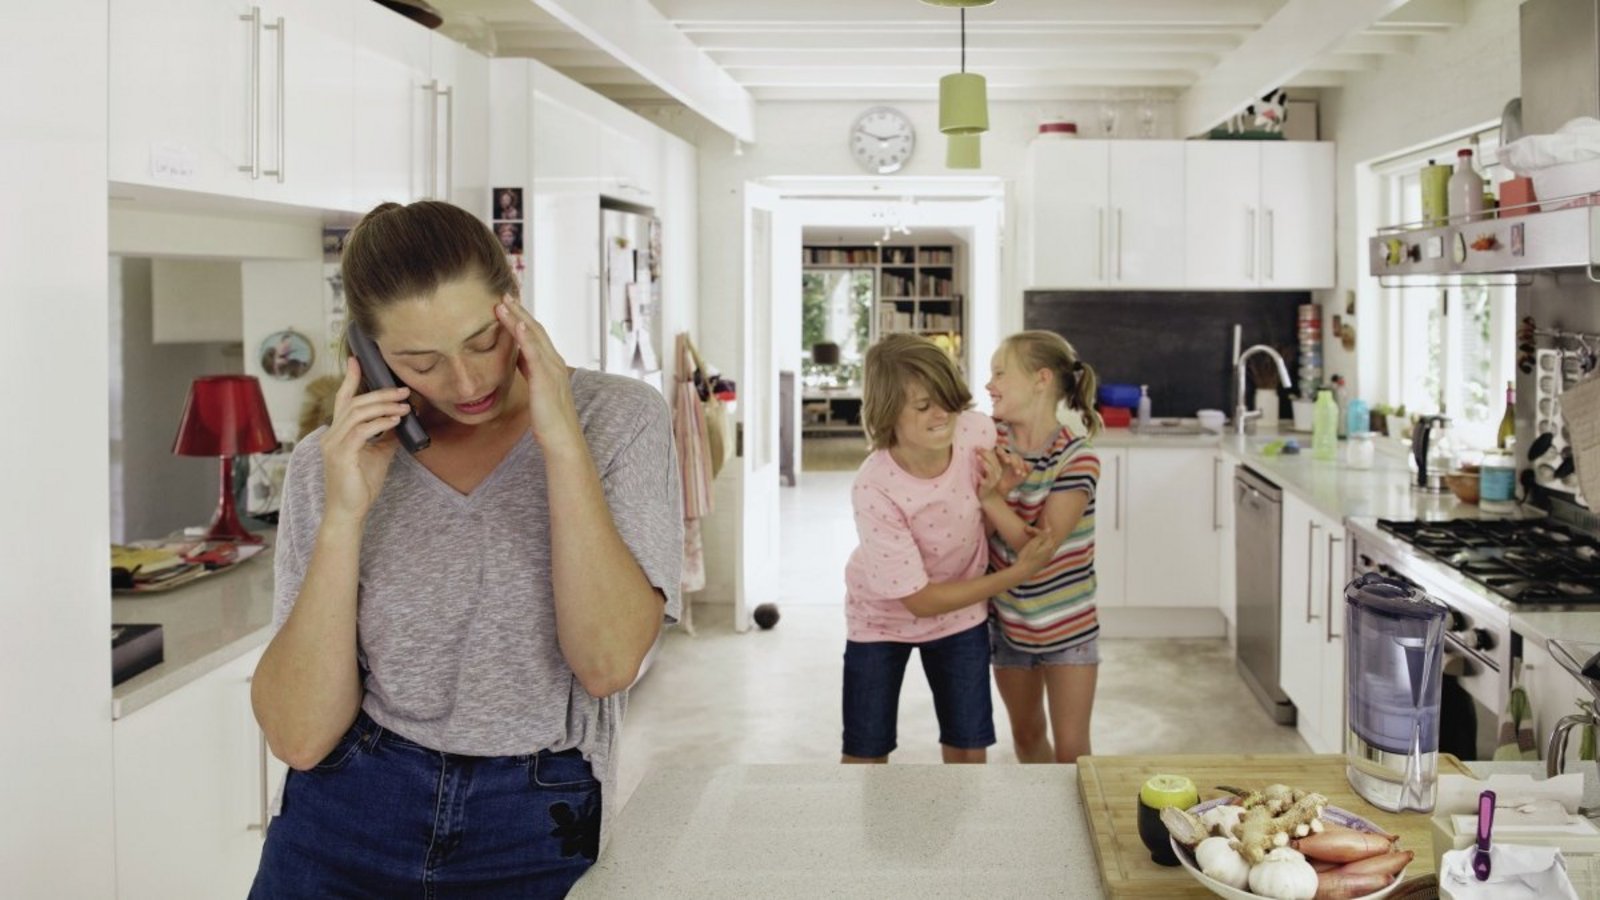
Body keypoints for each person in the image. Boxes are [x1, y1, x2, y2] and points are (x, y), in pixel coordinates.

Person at [248, 200, 682, 898]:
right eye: (420, 361)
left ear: (515, 308)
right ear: (368, 354)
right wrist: (344, 516)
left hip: (534, 816)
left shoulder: (618, 422)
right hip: (348, 809)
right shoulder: (328, 464)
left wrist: (561, 441)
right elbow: (299, 737)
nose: (469, 383)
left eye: (483, 341)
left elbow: (607, 665)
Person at [841, 333, 1055, 765]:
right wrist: (1015, 574)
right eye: (923, 406)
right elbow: (918, 601)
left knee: (967, 746)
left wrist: (1001, 485)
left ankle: (960, 834)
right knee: (865, 752)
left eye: (947, 400)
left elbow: (986, 486)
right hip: (881, 619)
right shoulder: (874, 486)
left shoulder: (974, 429)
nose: (942, 415)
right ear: (888, 413)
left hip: (960, 613)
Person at [981, 330, 1103, 764]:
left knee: (1072, 753)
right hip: (1009, 624)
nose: (988, 385)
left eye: (999, 373)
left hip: (1068, 627)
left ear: (1041, 379)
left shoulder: (1076, 457)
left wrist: (991, 498)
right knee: (1028, 737)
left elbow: (1039, 551)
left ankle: (1077, 832)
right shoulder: (984, 442)